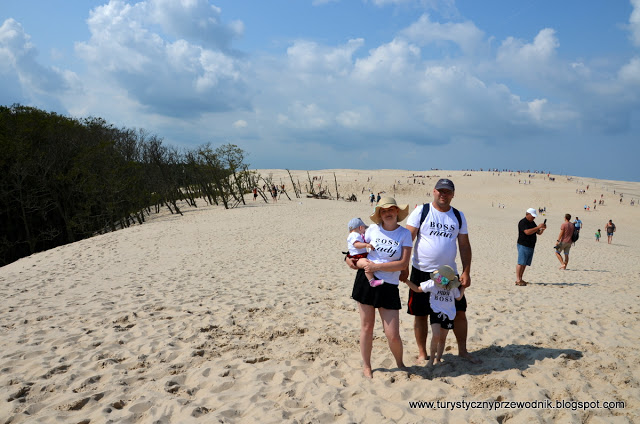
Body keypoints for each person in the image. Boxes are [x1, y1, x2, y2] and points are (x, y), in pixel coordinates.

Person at [403, 178, 479, 363]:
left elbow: (464, 246)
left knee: (459, 312)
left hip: (448, 274)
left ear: (453, 194)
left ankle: (462, 350)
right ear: (434, 191)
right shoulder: (421, 211)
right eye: (440, 190)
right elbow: (407, 239)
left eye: (448, 191)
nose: (443, 194)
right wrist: (403, 266)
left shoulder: (458, 216)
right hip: (421, 271)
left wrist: (466, 271)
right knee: (420, 314)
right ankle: (422, 353)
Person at [346, 197, 413, 378]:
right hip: (367, 281)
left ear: (397, 212)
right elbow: (354, 250)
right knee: (367, 327)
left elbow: (403, 263)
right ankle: (367, 366)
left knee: (393, 334)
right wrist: (349, 260)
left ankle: (400, 363)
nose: (387, 213)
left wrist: (378, 267)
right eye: (383, 211)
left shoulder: (404, 234)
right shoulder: (372, 230)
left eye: (391, 210)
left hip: (388, 285)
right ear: (379, 215)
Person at [405, 265, 464, 367]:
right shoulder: (432, 283)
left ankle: (438, 359)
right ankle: (431, 359)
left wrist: (464, 287)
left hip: (449, 314)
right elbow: (417, 289)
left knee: (442, 339)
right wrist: (406, 281)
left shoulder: (452, 287)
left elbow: (458, 298)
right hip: (435, 311)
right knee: (436, 335)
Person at [346, 218, 383, 287]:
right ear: (360, 227)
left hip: (360, 255)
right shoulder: (354, 235)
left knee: (369, 264)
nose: (364, 231)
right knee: (367, 265)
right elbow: (356, 245)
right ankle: (372, 281)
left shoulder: (357, 235)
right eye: (364, 228)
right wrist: (366, 245)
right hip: (357, 257)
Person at [516, 208, 547, 286]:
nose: (534, 218)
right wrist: (538, 227)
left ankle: (521, 278)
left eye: (534, 216)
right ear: (527, 214)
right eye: (532, 216)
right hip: (523, 244)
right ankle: (518, 279)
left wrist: (542, 229)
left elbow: (538, 233)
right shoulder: (523, 222)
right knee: (521, 262)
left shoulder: (532, 222)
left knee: (525, 263)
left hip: (530, 245)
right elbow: (527, 232)